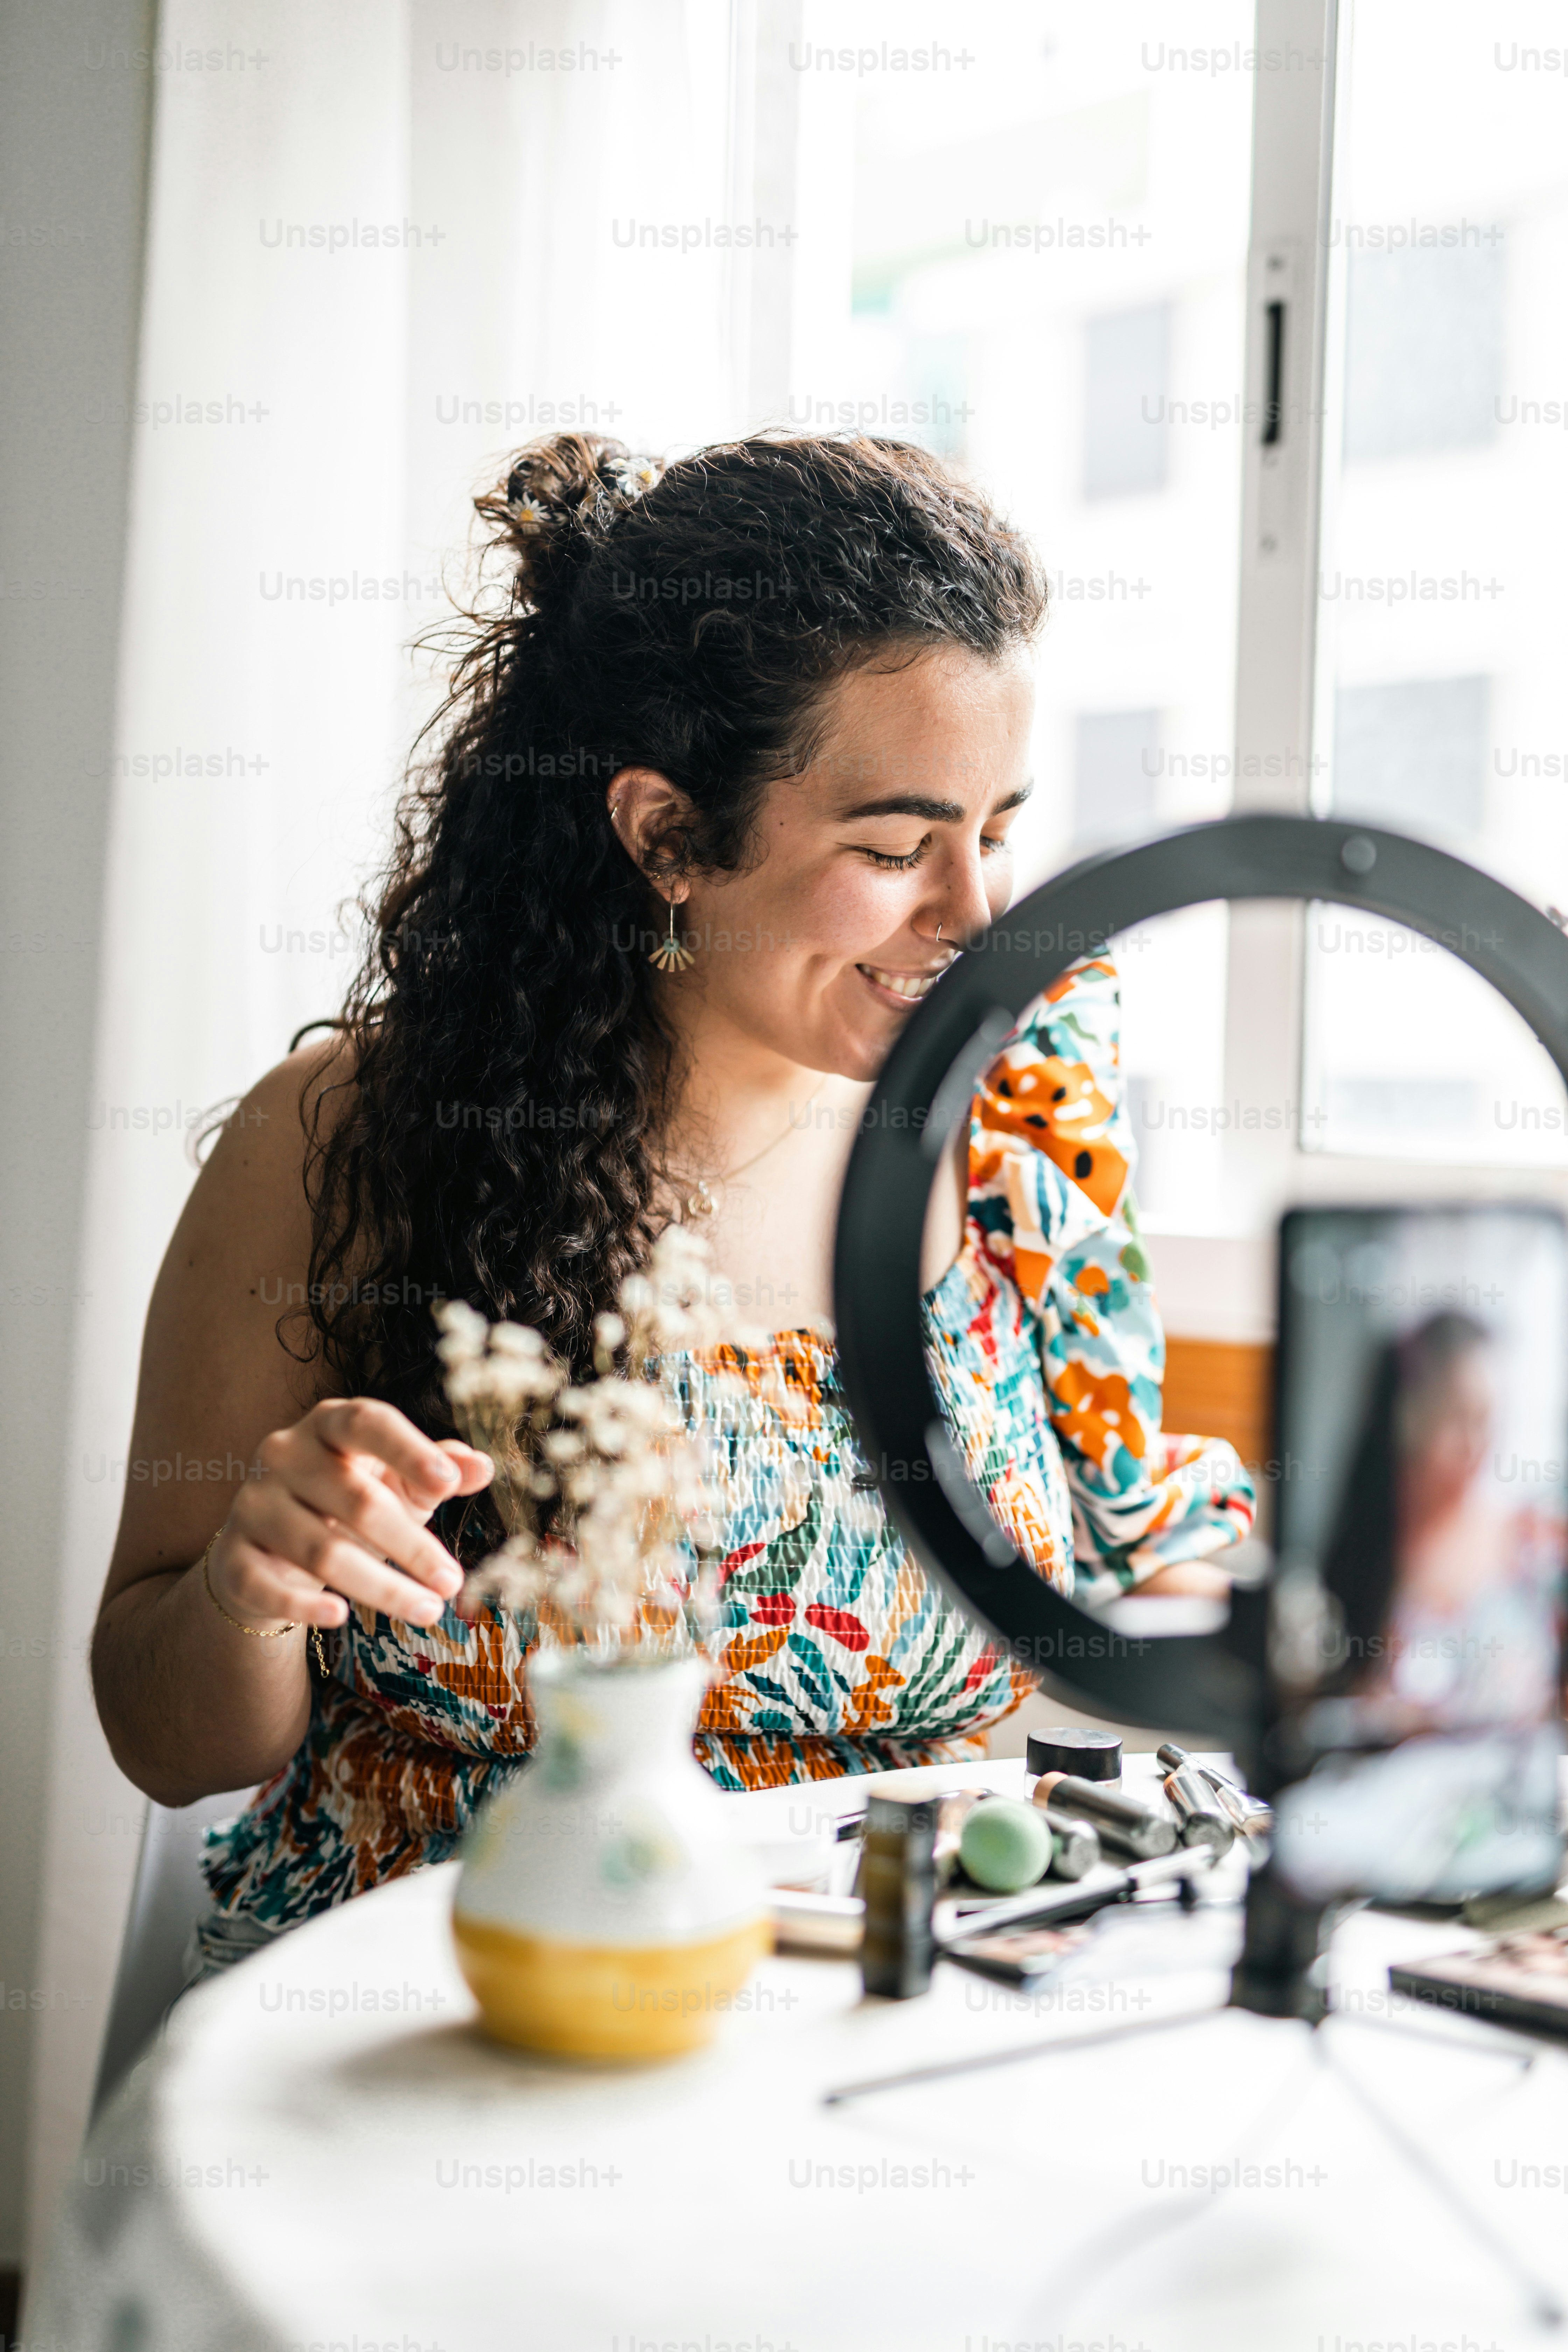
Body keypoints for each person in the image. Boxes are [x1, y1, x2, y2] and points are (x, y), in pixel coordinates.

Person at [90, 432, 1254, 1974]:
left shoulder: (1018, 1128)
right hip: (465, 2011)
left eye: (996, 830)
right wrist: (258, 1582)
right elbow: (170, 1744)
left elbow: (1125, 1589)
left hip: (899, 2007)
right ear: (664, 835)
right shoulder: (356, 1139)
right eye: (896, 845)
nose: (973, 915)